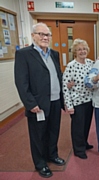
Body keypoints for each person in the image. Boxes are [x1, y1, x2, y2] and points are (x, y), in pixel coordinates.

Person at [14, 22, 65, 178]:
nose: (45, 37)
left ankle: (52, 155)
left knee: (53, 131)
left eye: (47, 34)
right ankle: (40, 163)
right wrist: (30, 103)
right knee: (38, 135)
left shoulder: (54, 54)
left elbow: (58, 76)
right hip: (38, 104)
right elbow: (21, 82)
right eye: (41, 34)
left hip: (55, 101)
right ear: (33, 36)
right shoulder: (24, 54)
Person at [62, 39, 94, 160]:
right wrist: (69, 105)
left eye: (84, 49)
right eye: (79, 49)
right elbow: (65, 87)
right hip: (77, 102)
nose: (82, 51)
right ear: (75, 51)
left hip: (89, 100)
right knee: (78, 127)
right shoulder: (71, 66)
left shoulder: (91, 63)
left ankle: (84, 143)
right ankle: (78, 149)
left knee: (86, 124)